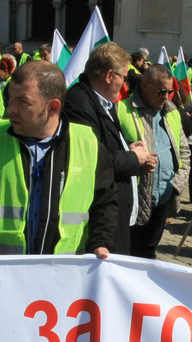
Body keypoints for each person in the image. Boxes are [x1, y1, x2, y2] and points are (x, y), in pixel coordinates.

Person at [0, 60, 117, 257]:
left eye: (22, 102)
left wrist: (100, 242)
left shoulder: (89, 143)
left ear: (52, 107)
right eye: (10, 99)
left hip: (66, 274)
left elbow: (105, 202)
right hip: (5, 273)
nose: (11, 109)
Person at [63, 42, 155, 255]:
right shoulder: (79, 103)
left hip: (115, 213)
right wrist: (134, 159)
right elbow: (91, 158)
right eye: (122, 77)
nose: (124, 84)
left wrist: (127, 147)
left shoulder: (102, 101)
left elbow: (104, 144)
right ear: (108, 76)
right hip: (98, 217)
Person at [116, 64, 191, 259]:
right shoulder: (122, 110)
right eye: (161, 91)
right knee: (128, 255)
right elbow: (111, 155)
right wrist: (135, 160)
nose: (166, 96)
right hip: (134, 200)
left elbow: (184, 153)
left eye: (169, 91)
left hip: (163, 197)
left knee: (148, 254)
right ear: (145, 84)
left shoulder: (172, 113)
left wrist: (176, 185)